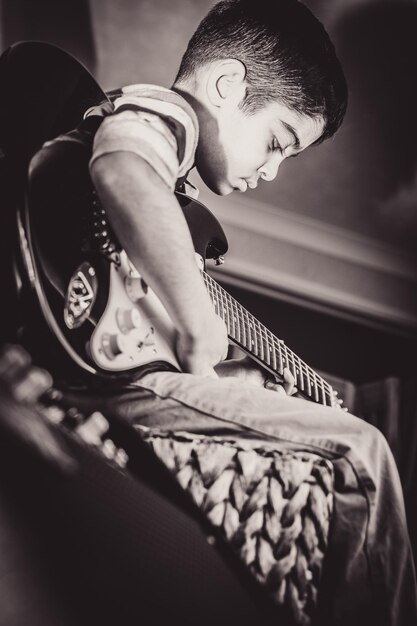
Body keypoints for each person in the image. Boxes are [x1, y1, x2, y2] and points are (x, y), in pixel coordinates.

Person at [27, 1, 417, 624]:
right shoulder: (166, 113)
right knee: (361, 455)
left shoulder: (184, 205)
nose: (271, 171)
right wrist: (196, 316)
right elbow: (125, 168)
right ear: (226, 84)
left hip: (121, 365)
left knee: (326, 408)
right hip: (114, 378)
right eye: (276, 141)